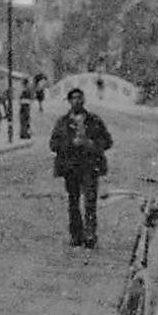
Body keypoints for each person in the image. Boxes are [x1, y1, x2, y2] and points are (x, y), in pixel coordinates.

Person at [48, 86, 113, 249]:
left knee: (90, 200)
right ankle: (76, 234)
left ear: (84, 100)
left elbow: (107, 141)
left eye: (80, 97)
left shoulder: (94, 120)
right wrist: (70, 144)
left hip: (90, 165)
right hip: (71, 167)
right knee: (73, 201)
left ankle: (90, 234)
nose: (77, 101)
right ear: (69, 101)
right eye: (73, 98)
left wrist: (92, 144)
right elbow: (53, 144)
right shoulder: (62, 123)